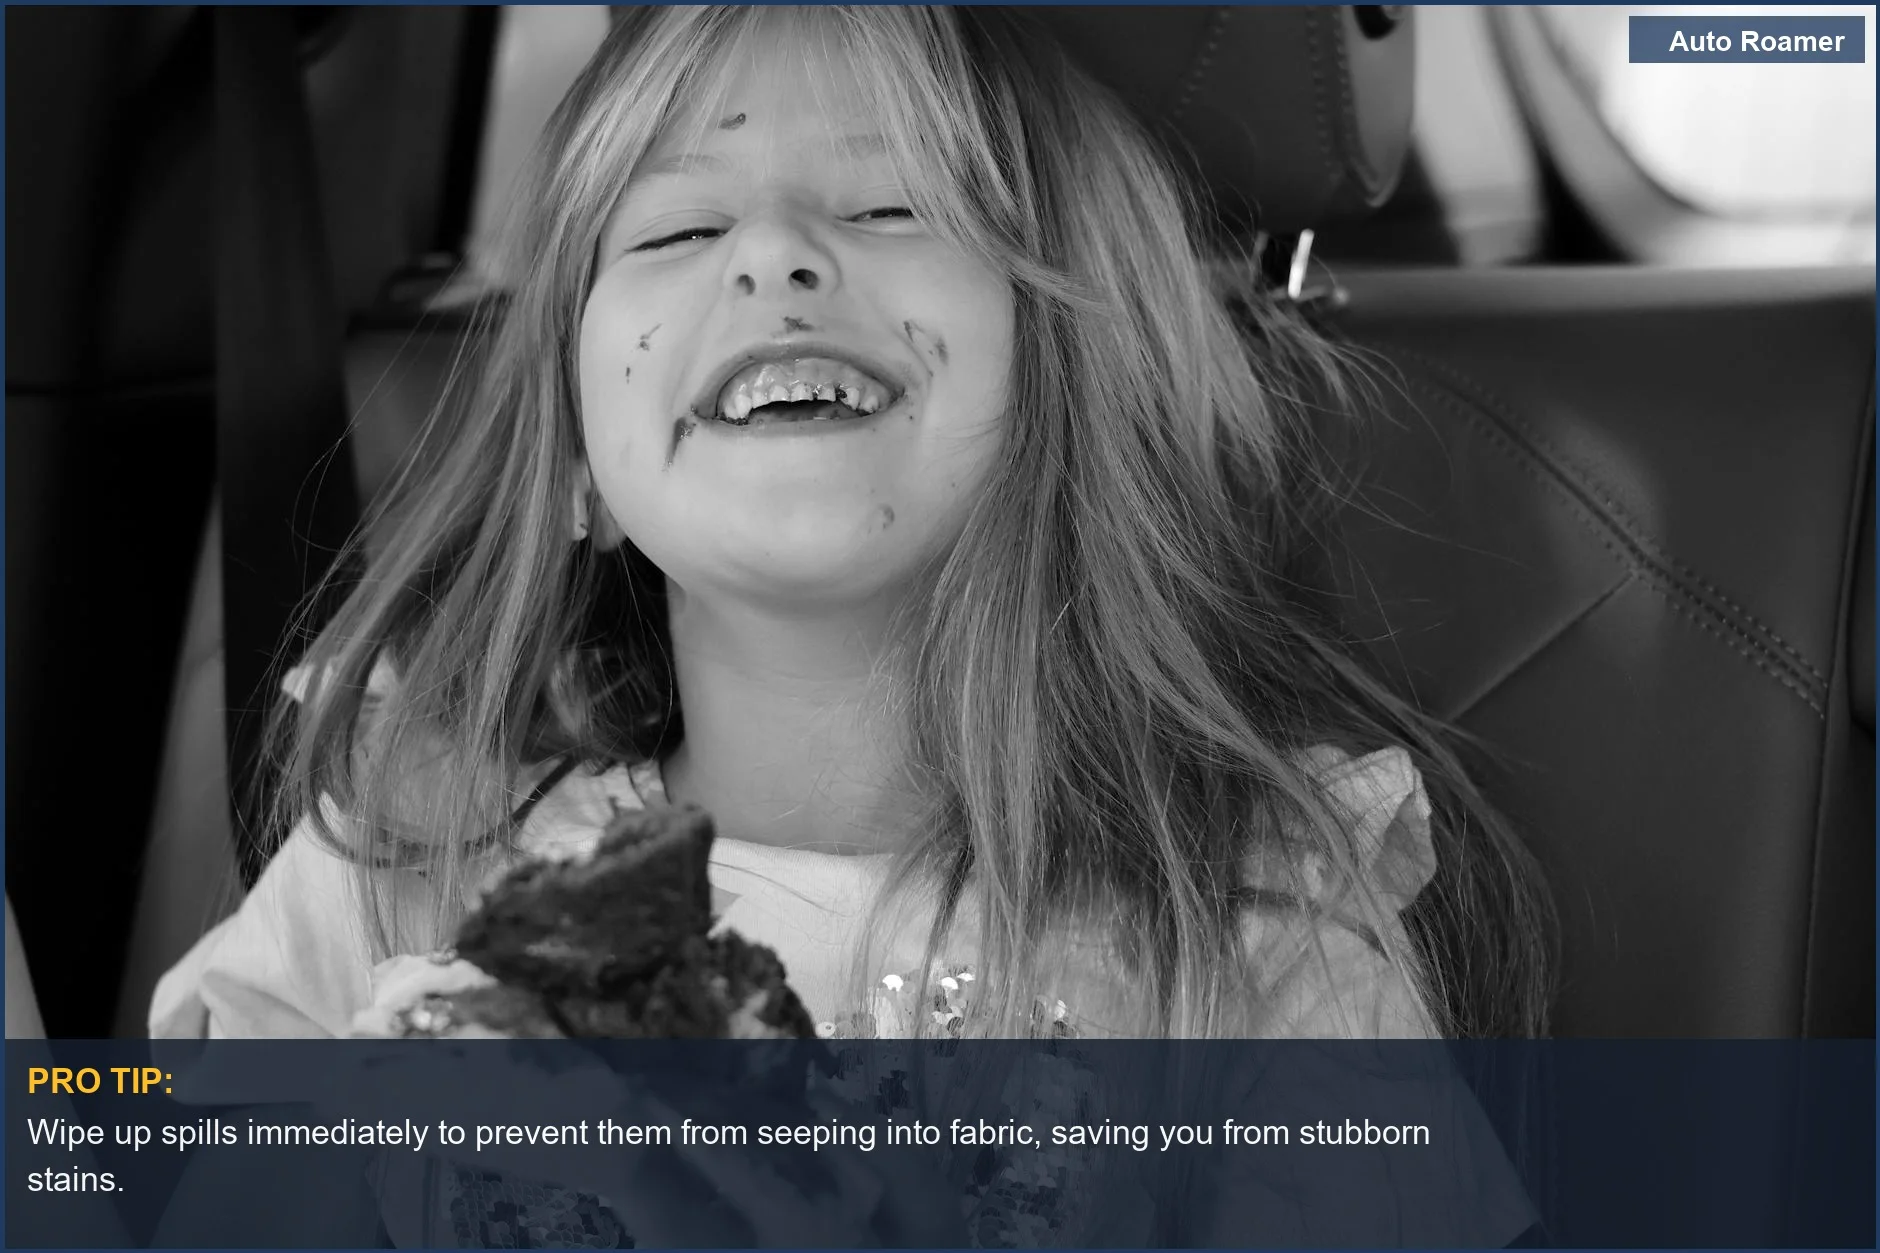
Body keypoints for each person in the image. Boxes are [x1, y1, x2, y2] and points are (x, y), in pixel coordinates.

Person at [153, 5, 1551, 1049]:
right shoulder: (406, 862)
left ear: (1072, 392)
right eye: (677, 233)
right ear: (577, 462)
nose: (772, 251)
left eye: (894, 204)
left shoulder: (1234, 923)